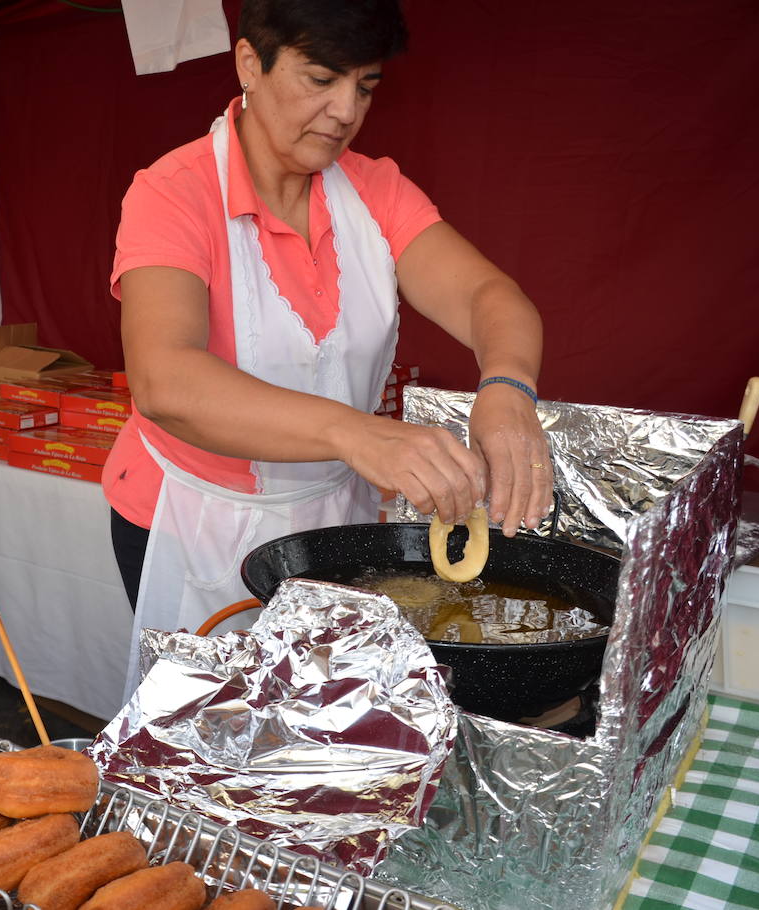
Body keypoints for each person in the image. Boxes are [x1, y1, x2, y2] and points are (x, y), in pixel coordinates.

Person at [105, 0, 553, 687]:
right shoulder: (174, 193)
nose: (346, 110)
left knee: (323, 728)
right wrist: (358, 434)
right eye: (321, 79)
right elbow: (165, 382)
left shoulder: (375, 190)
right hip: (194, 523)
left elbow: (489, 297)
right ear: (250, 63)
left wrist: (508, 387)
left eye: (365, 87)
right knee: (212, 742)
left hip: (333, 517)